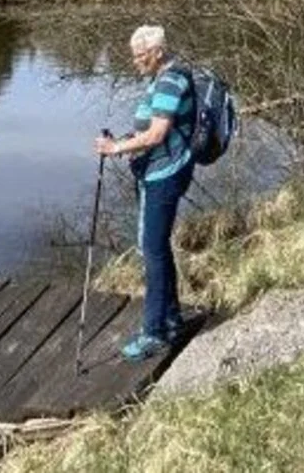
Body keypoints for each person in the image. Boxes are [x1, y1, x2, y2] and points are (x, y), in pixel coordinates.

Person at [94, 25, 196, 362]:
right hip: (156, 173)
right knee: (157, 248)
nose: (135, 62)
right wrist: (122, 142)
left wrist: (116, 147)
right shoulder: (160, 79)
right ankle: (171, 320)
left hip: (164, 176)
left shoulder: (170, 80)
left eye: (140, 56)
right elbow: (150, 130)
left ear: (157, 52)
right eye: (134, 56)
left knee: (151, 251)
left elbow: (156, 134)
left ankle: (153, 333)